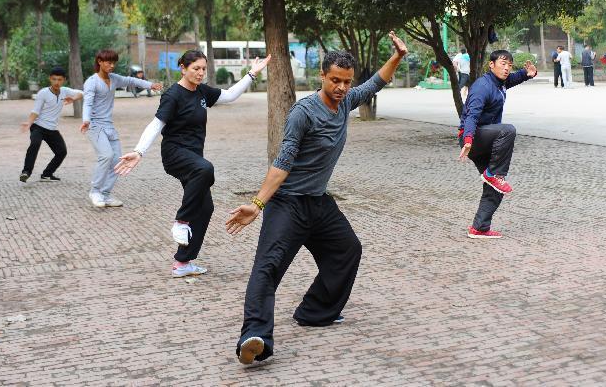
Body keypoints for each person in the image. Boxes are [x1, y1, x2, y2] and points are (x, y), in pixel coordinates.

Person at [226, 32, 408, 366]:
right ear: (322, 76)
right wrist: (257, 203)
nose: (341, 87)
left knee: (347, 249)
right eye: (335, 80)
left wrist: (397, 56)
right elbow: (282, 163)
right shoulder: (303, 113)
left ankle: (314, 311)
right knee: (267, 269)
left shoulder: (346, 101)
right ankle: (254, 337)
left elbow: (374, 84)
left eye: (346, 82)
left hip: (319, 204)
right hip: (287, 204)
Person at [114, 51, 270, 278]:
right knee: (206, 169)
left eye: (203, 69)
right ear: (183, 68)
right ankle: (181, 221)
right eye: (196, 68)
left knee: (206, 208)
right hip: (175, 154)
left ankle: (182, 262)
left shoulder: (202, 92)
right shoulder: (173, 95)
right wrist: (139, 151)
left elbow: (229, 95)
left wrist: (252, 75)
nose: (200, 73)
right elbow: (156, 124)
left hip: (193, 159)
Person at [457, 51, 537, 239]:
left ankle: (480, 228)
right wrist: (468, 140)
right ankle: (493, 174)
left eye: (510, 64)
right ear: (491, 65)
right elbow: (472, 115)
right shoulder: (482, 87)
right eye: (503, 63)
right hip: (473, 137)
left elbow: (513, 79)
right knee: (508, 130)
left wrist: (527, 74)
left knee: (496, 188)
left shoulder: (500, 82)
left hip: (486, 139)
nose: (507, 68)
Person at [81, 49, 163, 208]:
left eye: (114, 63)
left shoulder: (114, 79)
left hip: (108, 126)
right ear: (99, 62)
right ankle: (95, 191)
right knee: (106, 155)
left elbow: (132, 81)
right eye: (108, 62)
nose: (112, 66)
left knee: (119, 161)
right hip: (94, 125)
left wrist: (150, 85)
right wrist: (85, 120)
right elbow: (88, 103)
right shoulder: (92, 81)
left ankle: (105, 194)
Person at [19, 67, 83, 183]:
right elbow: (35, 111)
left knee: (62, 152)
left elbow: (81, 93)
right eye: (54, 79)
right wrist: (29, 123)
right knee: (35, 144)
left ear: (64, 80)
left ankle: (47, 174)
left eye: (59, 80)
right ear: (50, 79)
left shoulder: (64, 91)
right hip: (38, 127)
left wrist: (73, 98)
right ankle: (26, 172)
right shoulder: (43, 93)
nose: (56, 82)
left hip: (52, 129)